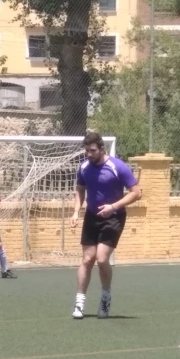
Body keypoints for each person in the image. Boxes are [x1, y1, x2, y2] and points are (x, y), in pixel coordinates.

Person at [70, 132, 140, 319]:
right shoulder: (84, 167)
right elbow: (80, 190)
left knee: (101, 259)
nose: (89, 154)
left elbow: (136, 193)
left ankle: (105, 297)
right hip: (91, 216)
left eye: (92, 150)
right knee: (87, 259)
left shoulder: (118, 166)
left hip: (114, 217)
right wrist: (76, 211)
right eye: (86, 151)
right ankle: (79, 303)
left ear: (102, 149)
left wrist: (113, 207)